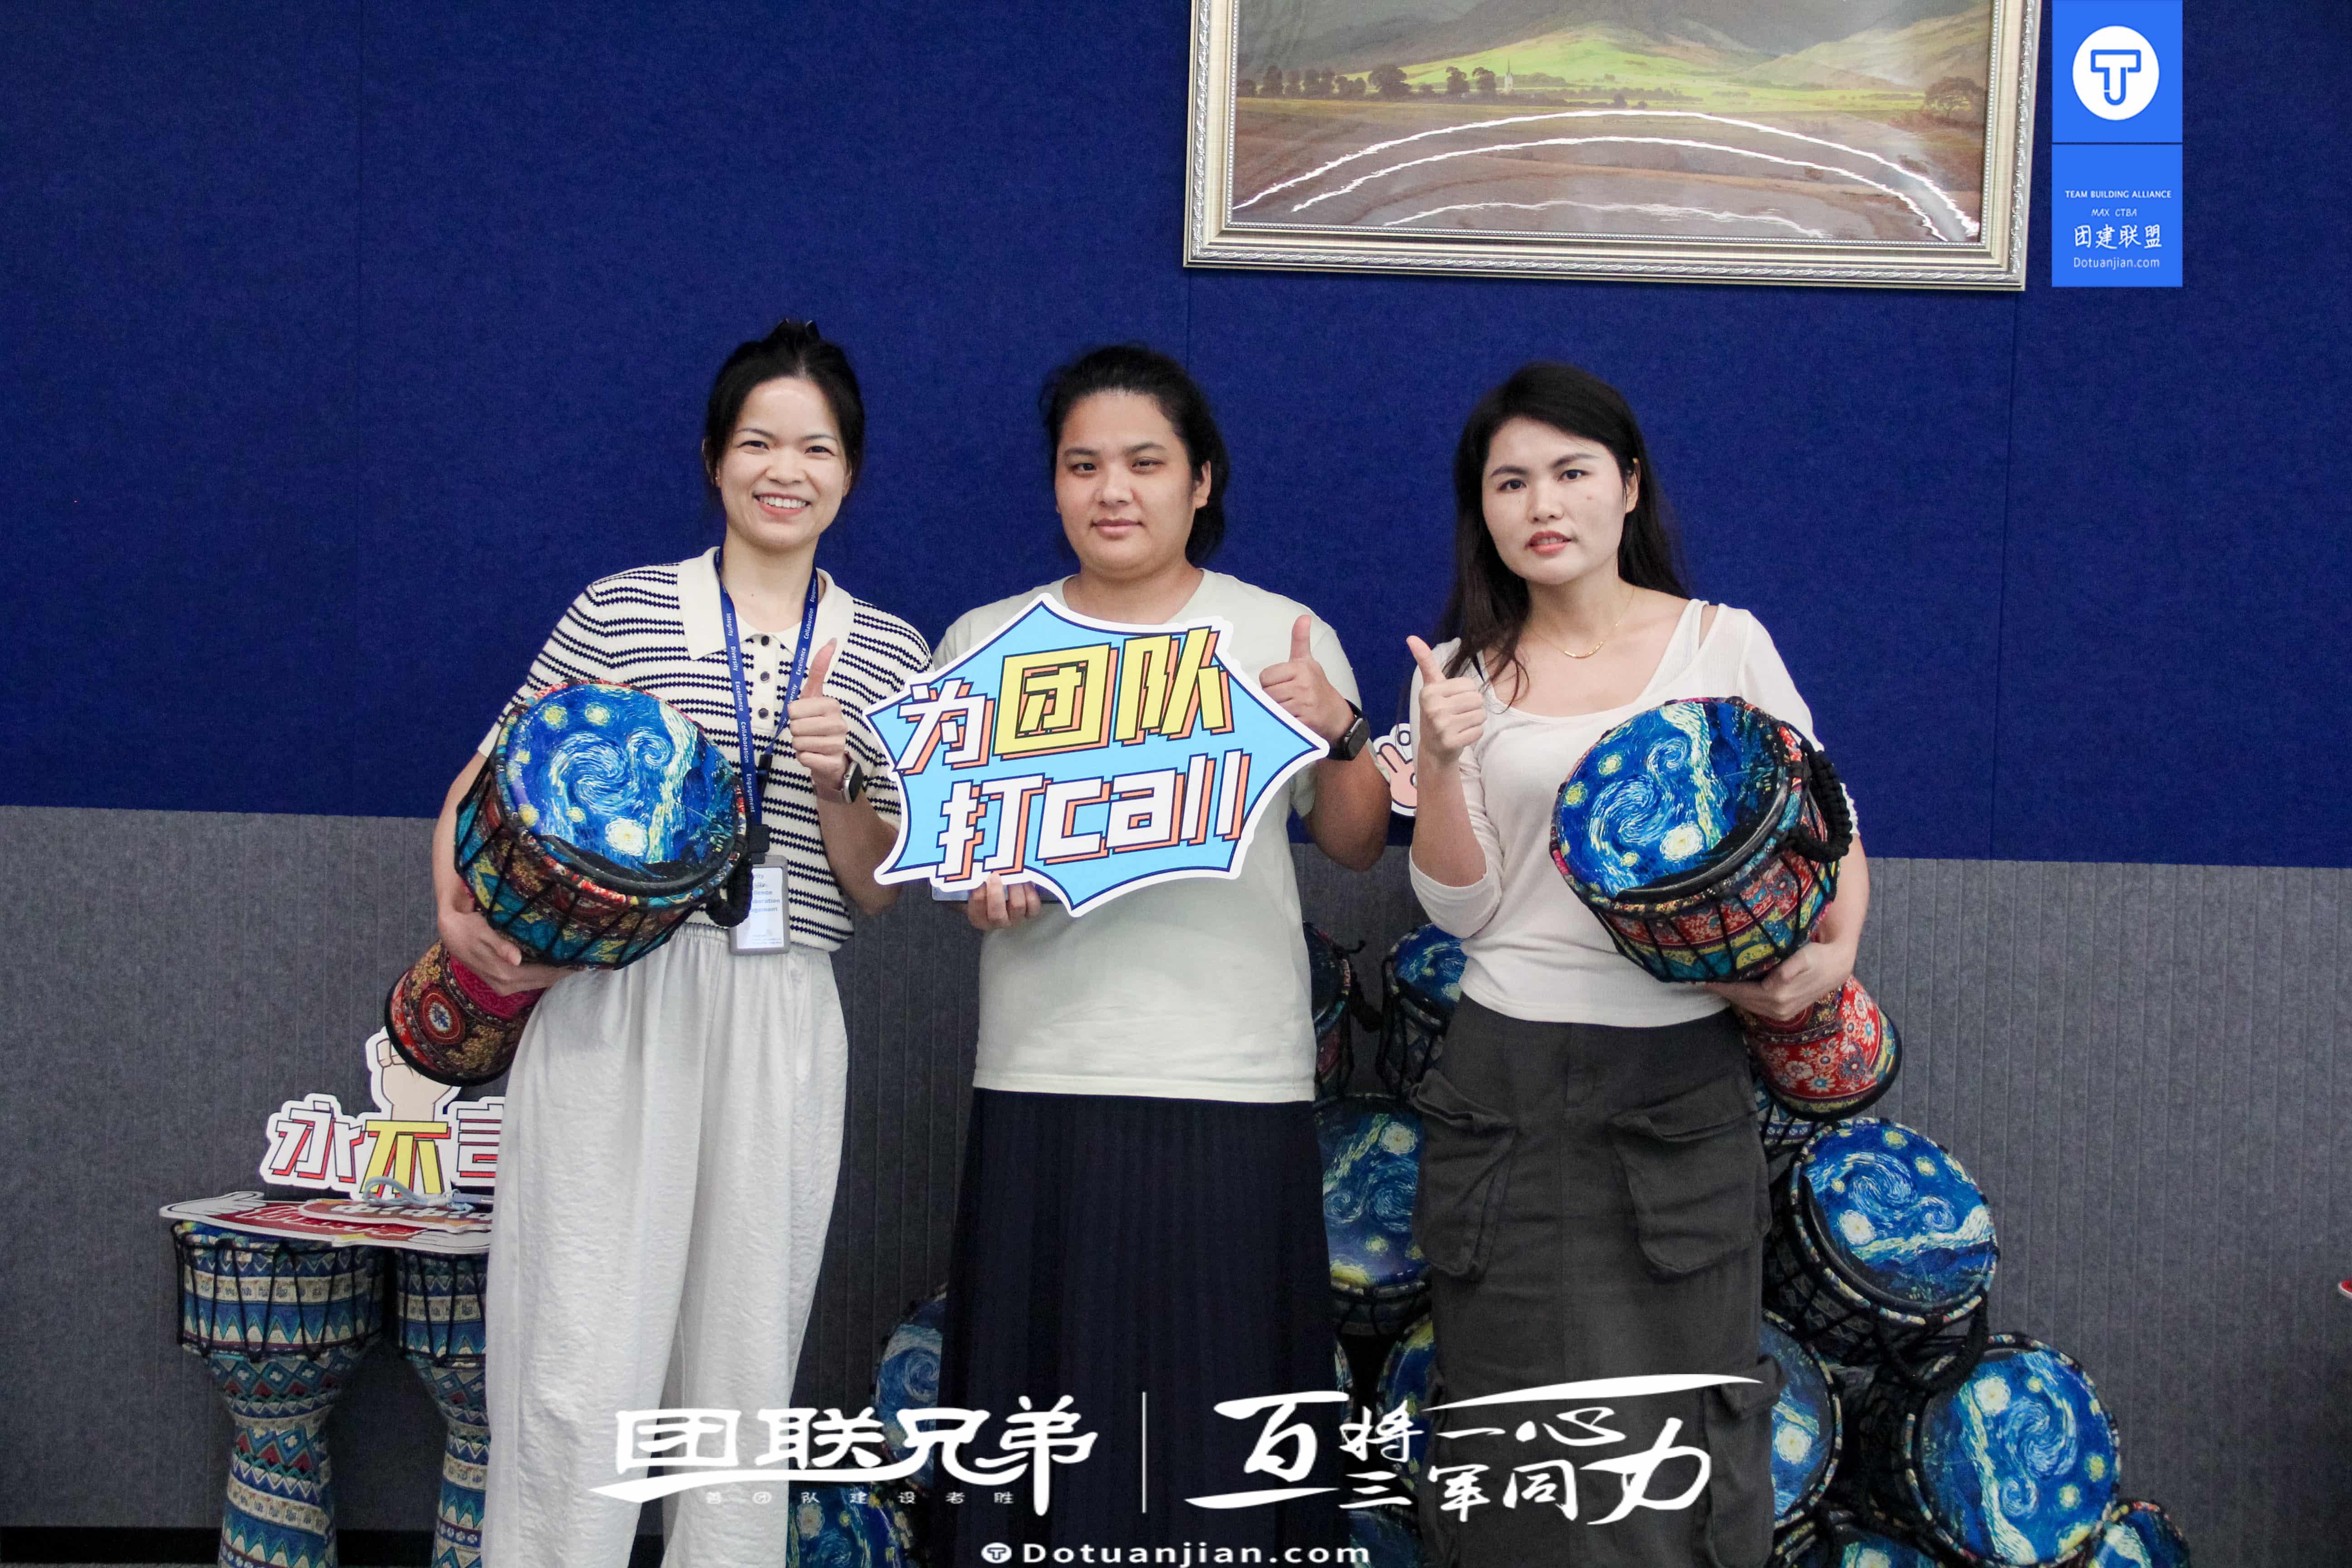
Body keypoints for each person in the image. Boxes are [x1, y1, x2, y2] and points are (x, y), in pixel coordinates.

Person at [430, 320, 930, 1568]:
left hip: (785, 1006)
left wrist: (835, 783)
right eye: (758, 441)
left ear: (850, 473)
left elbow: (879, 891)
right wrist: (458, 918)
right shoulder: (623, 609)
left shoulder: (892, 652)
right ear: (715, 459)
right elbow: (488, 777)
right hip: (620, 997)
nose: (784, 470)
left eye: (815, 448)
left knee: (744, 1373)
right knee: (576, 1357)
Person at [928, 344, 1392, 1563]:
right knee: (1045, 1429)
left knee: (1221, 1428)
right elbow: (952, 856)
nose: (1113, 491)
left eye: (1144, 462)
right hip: (1045, 1070)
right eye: (1083, 465)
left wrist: (1344, 731)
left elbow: (1354, 844)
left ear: (1201, 480)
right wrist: (978, 890)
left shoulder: (1277, 631)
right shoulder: (986, 639)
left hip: (1233, 1079)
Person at [1404, 361, 1870, 1567]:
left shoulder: (1722, 641)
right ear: (1483, 509)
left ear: (1628, 486)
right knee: (1514, 1447)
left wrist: (1832, 958)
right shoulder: (1459, 671)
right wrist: (1444, 758)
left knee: (1679, 1444)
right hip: (1504, 1085)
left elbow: (1827, 820)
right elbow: (1460, 908)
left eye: (1570, 472)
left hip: (1676, 1084)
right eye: (1511, 482)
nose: (1542, 504)